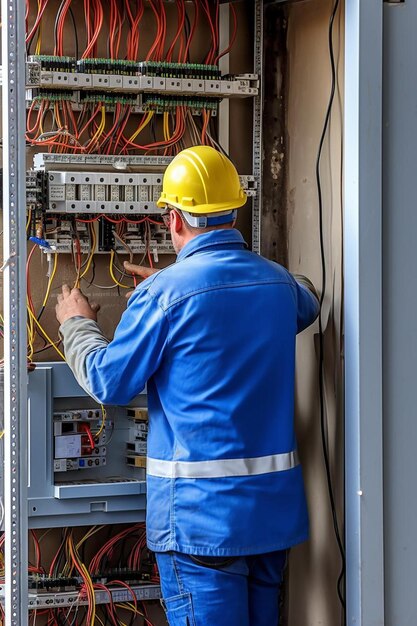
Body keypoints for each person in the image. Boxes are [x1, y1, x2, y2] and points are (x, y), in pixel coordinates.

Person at [55, 145, 319, 626]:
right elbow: (306, 300)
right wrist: (185, 283)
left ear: (175, 220)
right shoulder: (278, 286)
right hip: (269, 520)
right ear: (235, 211)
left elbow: (107, 380)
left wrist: (76, 324)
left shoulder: (164, 296)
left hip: (201, 526)